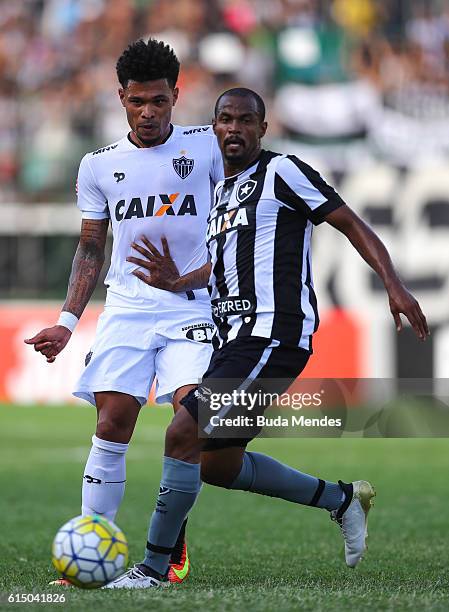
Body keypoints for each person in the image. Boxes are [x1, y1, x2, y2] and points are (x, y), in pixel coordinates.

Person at [107, 87, 429, 589]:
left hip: (273, 334)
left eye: (245, 120)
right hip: (231, 337)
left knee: (181, 433)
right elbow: (227, 266)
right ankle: (340, 499)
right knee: (216, 464)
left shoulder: (284, 172)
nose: (234, 128)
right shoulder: (218, 194)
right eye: (225, 119)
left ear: (263, 127)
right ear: (214, 127)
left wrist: (394, 284)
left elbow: (350, 223)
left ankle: (153, 567)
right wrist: (179, 281)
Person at [24, 38, 223, 585]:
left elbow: (233, 235)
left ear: (176, 96)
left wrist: (187, 278)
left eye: (159, 101)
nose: (149, 112)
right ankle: (94, 542)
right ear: (121, 98)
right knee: (113, 422)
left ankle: (168, 541)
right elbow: (90, 248)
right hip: (129, 311)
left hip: (194, 306)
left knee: (193, 418)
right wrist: (66, 323)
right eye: (138, 102)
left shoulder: (208, 148)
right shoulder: (98, 166)